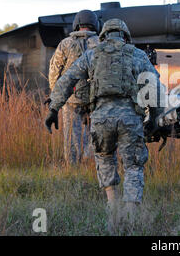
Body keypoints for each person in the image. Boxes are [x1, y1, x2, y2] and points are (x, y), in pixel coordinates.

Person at [44, 18, 162, 218]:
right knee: (133, 165)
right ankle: (132, 214)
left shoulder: (92, 55)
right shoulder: (137, 55)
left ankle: (113, 206)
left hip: (100, 118)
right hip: (130, 117)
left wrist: (54, 108)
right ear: (125, 36)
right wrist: (154, 117)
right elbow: (155, 86)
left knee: (105, 158)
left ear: (103, 36)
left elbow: (67, 79)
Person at [48, 9, 100, 164]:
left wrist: (56, 95)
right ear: (95, 24)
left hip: (71, 99)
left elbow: (54, 72)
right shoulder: (101, 44)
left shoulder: (65, 44)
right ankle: (92, 166)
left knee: (71, 139)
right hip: (96, 100)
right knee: (97, 137)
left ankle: (73, 171)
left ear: (76, 24)